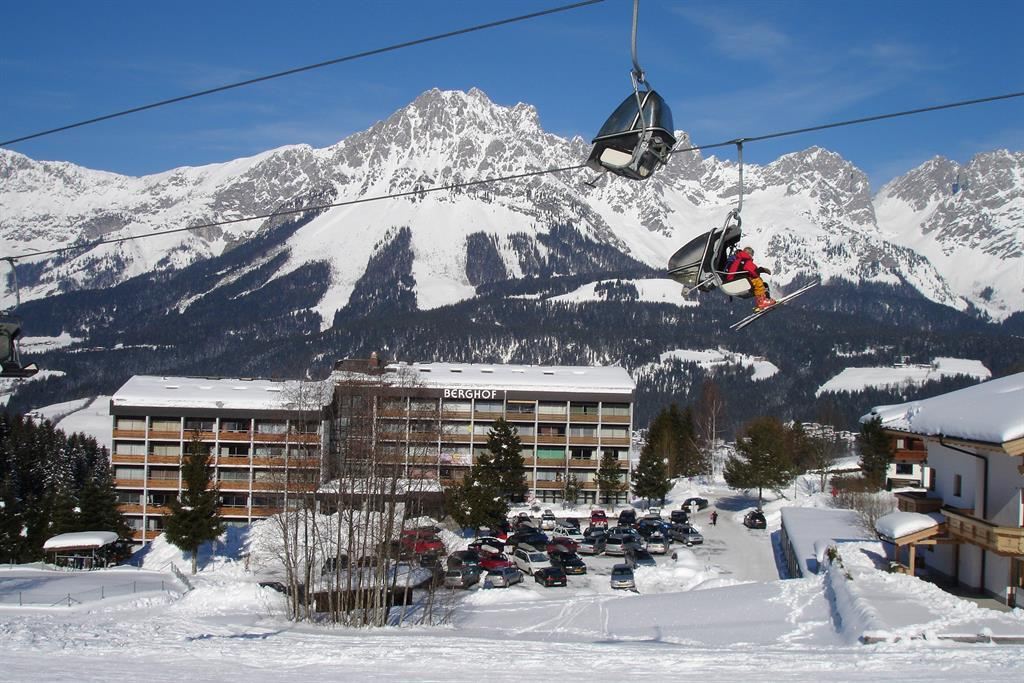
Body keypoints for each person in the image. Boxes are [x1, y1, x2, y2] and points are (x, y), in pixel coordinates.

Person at [725, 246, 776, 311]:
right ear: (749, 254)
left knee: (762, 284)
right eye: (752, 255)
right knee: (758, 280)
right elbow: (754, 272)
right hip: (737, 282)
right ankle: (762, 302)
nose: (752, 257)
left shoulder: (738, 259)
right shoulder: (745, 259)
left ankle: (765, 300)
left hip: (733, 282)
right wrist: (762, 269)